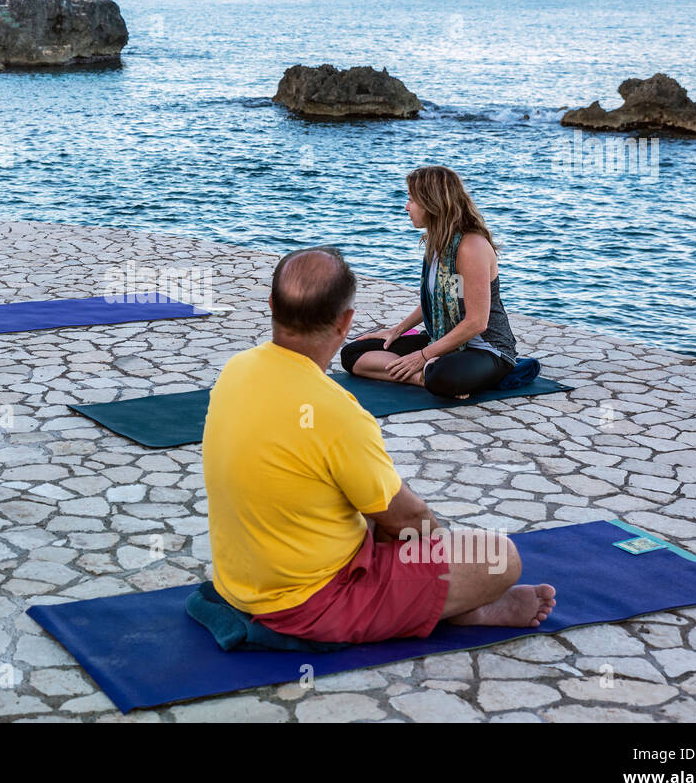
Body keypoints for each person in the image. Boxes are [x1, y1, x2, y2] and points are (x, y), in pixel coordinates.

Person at [202, 246, 555, 643]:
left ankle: (440, 598)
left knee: (366, 503)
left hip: (237, 584)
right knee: (497, 558)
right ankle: (462, 607)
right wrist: (439, 560)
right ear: (345, 322)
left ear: (271, 305)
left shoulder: (236, 369)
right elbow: (410, 520)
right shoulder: (336, 411)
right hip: (309, 604)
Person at [340, 165, 518, 399]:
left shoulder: (471, 247)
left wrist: (422, 355)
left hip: (486, 349)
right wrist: (396, 331)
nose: (406, 207)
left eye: (411, 200)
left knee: (442, 375)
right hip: (444, 339)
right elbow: (440, 300)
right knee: (352, 353)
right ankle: (421, 377)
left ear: (432, 204)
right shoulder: (438, 243)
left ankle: (430, 371)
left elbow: (477, 323)